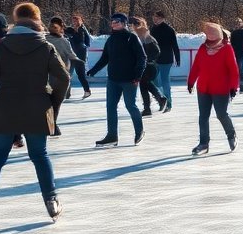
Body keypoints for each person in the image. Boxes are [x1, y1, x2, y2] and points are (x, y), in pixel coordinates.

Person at [0, 2, 69, 229]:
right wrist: (52, 104)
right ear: (37, 21)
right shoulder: (45, 47)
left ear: (16, 20)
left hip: (5, 109)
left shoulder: (3, 46)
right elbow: (63, 79)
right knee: (39, 156)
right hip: (36, 109)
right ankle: (51, 200)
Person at [87, 12, 147, 148]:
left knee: (130, 105)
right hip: (113, 79)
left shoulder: (131, 38)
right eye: (112, 22)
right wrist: (93, 70)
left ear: (124, 23)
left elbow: (142, 58)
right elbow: (105, 58)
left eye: (117, 21)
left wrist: (137, 76)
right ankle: (112, 136)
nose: (114, 24)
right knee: (110, 107)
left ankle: (139, 131)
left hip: (129, 80)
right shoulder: (111, 39)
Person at [188, 20, 239, 155]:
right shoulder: (203, 48)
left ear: (218, 34)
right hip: (204, 88)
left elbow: (233, 70)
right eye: (207, 34)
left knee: (221, 114)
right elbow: (196, 66)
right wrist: (191, 81)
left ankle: (231, 135)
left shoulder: (227, 48)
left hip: (221, 88)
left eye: (212, 34)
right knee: (203, 116)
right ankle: (204, 143)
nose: (209, 37)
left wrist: (234, 87)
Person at [45, 18, 84, 136]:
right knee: (56, 103)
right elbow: (72, 55)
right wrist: (79, 61)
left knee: (47, 102)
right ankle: (52, 126)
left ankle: (50, 125)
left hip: (45, 76)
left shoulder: (43, 40)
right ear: (61, 28)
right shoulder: (64, 41)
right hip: (60, 76)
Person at [131, 17, 168, 117]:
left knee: (144, 85)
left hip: (148, 66)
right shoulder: (142, 35)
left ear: (135, 25)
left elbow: (157, 51)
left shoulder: (145, 36)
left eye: (133, 25)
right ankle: (152, 104)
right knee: (144, 85)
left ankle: (157, 100)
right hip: (147, 66)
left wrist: (146, 59)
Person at [151, 10, 180, 113]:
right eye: (154, 17)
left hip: (166, 59)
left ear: (163, 18)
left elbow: (175, 45)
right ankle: (161, 99)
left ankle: (168, 103)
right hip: (155, 59)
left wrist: (177, 58)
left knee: (165, 81)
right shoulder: (153, 29)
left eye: (157, 18)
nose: (155, 19)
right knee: (154, 80)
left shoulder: (169, 30)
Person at [65, 14, 93, 99]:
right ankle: (67, 93)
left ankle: (87, 90)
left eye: (76, 20)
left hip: (79, 55)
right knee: (67, 74)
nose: (74, 22)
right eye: (73, 21)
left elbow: (80, 42)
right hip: (72, 54)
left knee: (80, 74)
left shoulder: (82, 30)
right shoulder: (72, 30)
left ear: (80, 21)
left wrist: (72, 36)